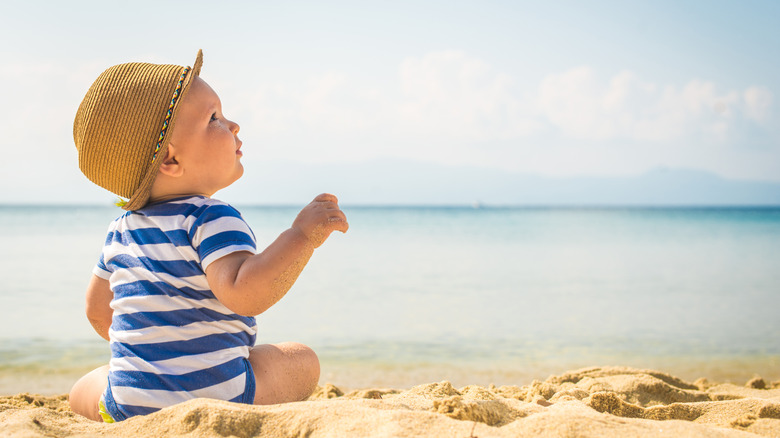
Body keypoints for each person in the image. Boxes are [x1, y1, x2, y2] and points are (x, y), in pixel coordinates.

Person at [68, 50, 348, 422]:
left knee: (83, 389)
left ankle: (124, 399)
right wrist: (301, 236)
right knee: (300, 360)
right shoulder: (210, 216)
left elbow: (97, 311)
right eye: (213, 118)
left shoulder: (121, 229)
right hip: (220, 398)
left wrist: (156, 356)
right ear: (171, 161)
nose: (232, 125)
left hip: (131, 405)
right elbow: (246, 292)